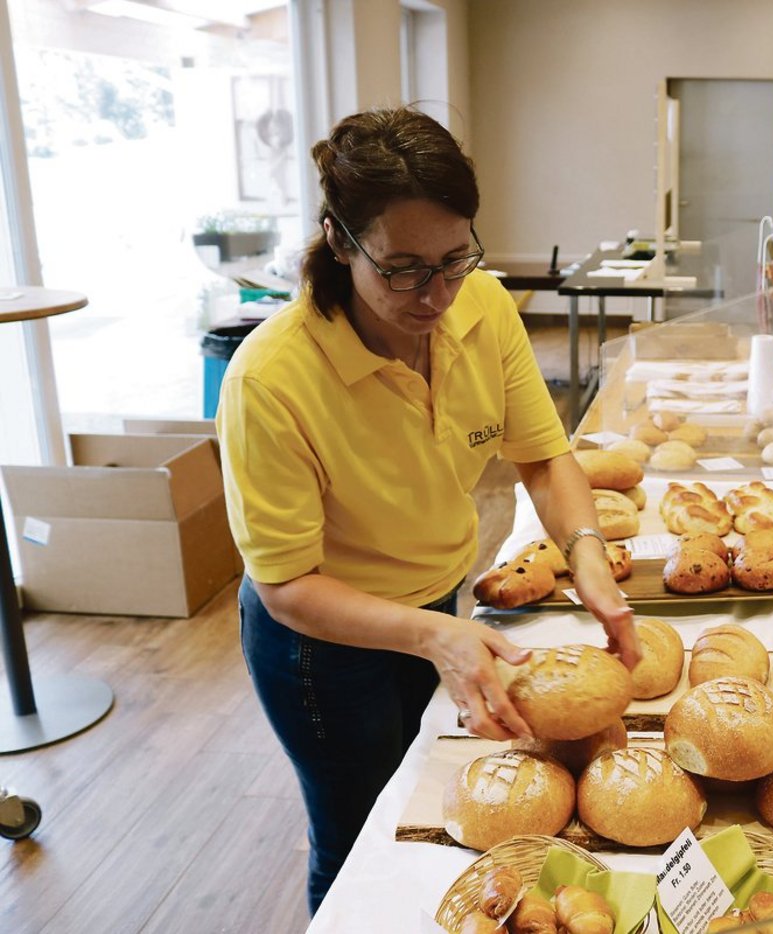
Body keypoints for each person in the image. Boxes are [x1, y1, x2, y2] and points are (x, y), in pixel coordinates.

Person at [215, 106, 637, 916]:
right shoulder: (271, 379)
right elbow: (287, 586)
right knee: (357, 837)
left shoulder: (483, 308)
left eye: (455, 259)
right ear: (340, 241)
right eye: (403, 268)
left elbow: (546, 457)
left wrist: (587, 553)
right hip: (320, 647)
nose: (436, 293)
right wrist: (436, 635)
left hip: (441, 606)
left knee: (434, 810)